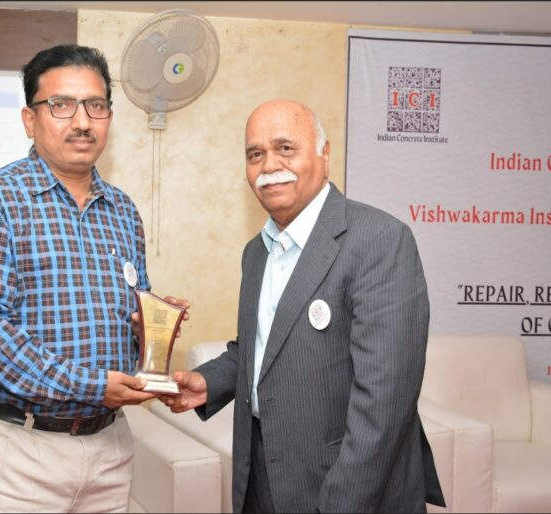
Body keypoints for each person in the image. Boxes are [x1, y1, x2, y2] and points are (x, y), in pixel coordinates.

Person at [161, 99, 445, 513]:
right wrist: (208, 383)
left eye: (285, 148)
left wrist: (340, 504)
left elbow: (384, 402)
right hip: (261, 478)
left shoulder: (379, 240)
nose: (269, 165)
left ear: (324, 155)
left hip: (344, 487)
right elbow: (261, 349)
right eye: (255, 154)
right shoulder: (256, 252)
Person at [0, 44, 187, 513]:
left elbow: (127, 315)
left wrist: (151, 325)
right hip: (18, 452)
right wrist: (90, 386)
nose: (82, 122)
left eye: (96, 106)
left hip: (110, 447)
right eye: (61, 105)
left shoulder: (123, 211)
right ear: (29, 119)